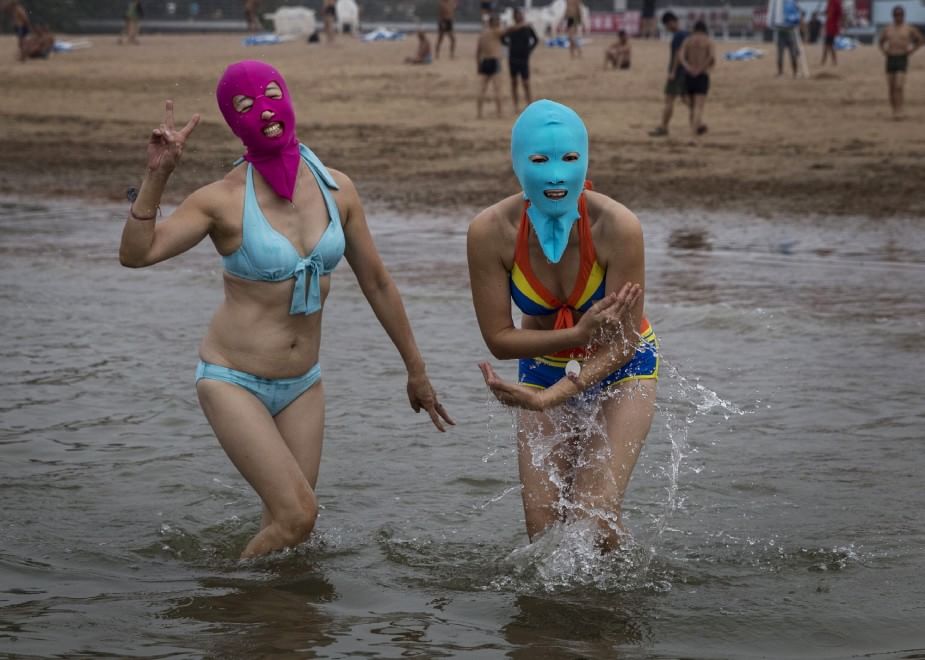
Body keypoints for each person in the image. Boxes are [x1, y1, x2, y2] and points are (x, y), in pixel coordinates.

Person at [118, 61, 453, 559]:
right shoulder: (221, 200)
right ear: (234, 122)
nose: (265, 111)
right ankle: (229, 594)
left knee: (292, 533)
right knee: (298, 517)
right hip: (233, 380)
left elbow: (378, 282)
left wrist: (416, 370)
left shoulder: (337, 188)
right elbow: (136, 254)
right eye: (246, 106)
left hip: (302, 385)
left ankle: (257, 605)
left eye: (273, 96)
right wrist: (157, 175)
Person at [468, 100, 658, 552]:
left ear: (585, 160)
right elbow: (499, 339)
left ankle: (626, 590)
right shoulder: (490, 232)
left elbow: (624, 340)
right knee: (545, 531)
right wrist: (575, 337)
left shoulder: (618, 227)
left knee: (594, 514)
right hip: (544, 365)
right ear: (519, 163)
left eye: (569, 159)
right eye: (539, 160)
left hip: (621, 366)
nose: (556, 175)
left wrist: (553, 396)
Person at [879, 5, 924, 120]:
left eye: (900, 15)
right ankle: (894, 110)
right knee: (891, 87)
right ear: (893, 16)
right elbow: (881, 42)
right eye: (896, 15)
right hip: (891, 58)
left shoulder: (908, 28)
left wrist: (912, 50)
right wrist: (884, 51)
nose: (898, 17)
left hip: (902, 58)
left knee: (899, 85)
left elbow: (920, 40)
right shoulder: (888, 28)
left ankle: (900, 110)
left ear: (904, 15)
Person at [649, 11, 688, 137]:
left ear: (671, 22)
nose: (667, 28)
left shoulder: (678, 36)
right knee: (686, 98)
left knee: (669, 100)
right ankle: (698, 121)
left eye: (666, 25)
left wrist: (673, 72)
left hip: (678, 72)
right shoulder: (687, 34)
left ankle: (664, 127)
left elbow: (678, 54)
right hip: (688, 71)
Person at [678, 20, 714, 137]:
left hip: (689, 75)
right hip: (702, 75)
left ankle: (695, 129)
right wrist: (701, 69)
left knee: (692, 106)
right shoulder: (708, 41)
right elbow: (711, 57)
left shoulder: (688, 40)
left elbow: (681, 56)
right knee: (698, 107)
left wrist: (688, 67)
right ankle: (693, 133)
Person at [501, 8, 539, 112]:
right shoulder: (511, 29)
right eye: (517, 15)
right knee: (514, 82)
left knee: (526, 83)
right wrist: (509, 45)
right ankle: (515, 105)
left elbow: (535, 39)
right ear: (514, 17)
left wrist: (529, 50)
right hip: (513, 58)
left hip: (524, 58)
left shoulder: (527, 28)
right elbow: (502, 38)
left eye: (520, 14)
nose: (519, 17)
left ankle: (529, 104)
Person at [476, 14, 504, 119]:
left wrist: (478, 65)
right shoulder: (496, 31)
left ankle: (479, 113)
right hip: (494, 60)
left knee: (482, 89)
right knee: (497, 89)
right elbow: (509, 31)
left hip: (484, 61)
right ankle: (499, 113)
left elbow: (477, 52)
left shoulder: (482, 34)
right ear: (494, 23)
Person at [821, 0, 842, 65]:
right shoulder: (830, 2)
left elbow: (839, 14)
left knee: (829, 44)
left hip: (832, 27)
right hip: (830, 27)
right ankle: (828, 60)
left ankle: (827, 60)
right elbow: (828, 12)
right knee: (829, 44)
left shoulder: (835, 2)